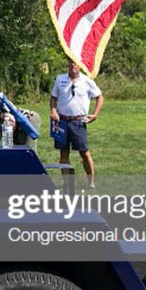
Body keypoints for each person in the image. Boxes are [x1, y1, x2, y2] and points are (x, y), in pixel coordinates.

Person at [49, 60, 104, 192]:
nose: (73, 65)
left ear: (80, 65)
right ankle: (67, 183)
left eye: (76, 63)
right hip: (62, 121)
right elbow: (53, 97)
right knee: (63, 153)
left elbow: (99, 97)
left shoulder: (87, 81)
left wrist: (95, 114)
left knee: (84, 152)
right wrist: (53, 111)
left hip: (78, 121)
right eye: (71, 63)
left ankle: (91, 182)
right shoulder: (60, 79)